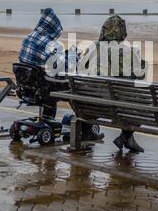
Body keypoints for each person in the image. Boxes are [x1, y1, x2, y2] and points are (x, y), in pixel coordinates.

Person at [18, 8, 103, 141]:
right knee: (74, 90)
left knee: (48, 84)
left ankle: (48, 118)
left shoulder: (28, 38)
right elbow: (64, 66)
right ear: (51, 28)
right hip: (44, 88)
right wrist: (74, 55)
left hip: (29, 87)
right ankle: (86, 129)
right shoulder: (47, 43)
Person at [78, 15, 146, 153]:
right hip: (111, 106)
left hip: (87, 103)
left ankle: (86, 132)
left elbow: (82, 67)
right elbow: (139, 75)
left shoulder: (92, 47)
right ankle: (126, 137)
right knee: (142, 102)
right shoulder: (124, 51)